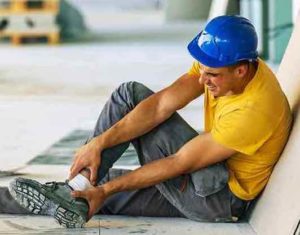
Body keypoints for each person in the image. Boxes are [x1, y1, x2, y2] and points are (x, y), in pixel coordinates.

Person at [6, 15, 292, 228]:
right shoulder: (224, 62)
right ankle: (73, 193)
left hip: (216, 198)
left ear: (241, 70)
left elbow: (180, 162)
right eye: (202, 71)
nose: (203, 80)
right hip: (203, 178)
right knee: (92, 193)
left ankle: (75, 190)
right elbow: (161, 106)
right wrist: (98, 143)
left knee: (105, 184)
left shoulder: (254, 111)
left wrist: (104, 191)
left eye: (212, 76)